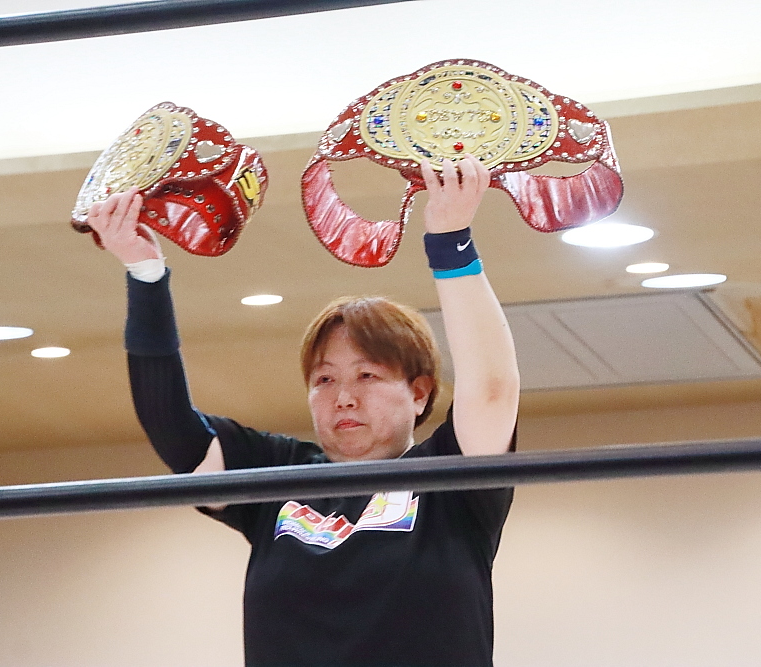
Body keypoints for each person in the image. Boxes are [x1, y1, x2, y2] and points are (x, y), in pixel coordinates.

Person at [89, 155, 521, 667]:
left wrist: (450, 239)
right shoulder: (276, 472)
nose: (343, 397)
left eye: (367, 376)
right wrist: (145, 274)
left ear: (420, 393)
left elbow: (492, 388)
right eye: (324, 379)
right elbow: (170, 424)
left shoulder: (451, 477)